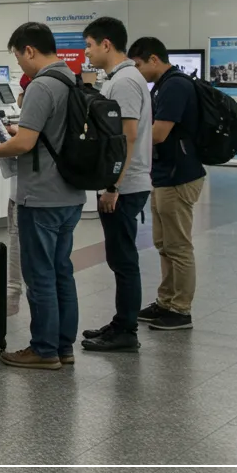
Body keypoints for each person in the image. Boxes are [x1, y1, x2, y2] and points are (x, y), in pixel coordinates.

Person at [0, 22, 83, 370]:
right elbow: (46, 134)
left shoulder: (42, 86)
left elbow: (25, 143)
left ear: (30, 51)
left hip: (41, 196)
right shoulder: (72, 79)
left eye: (19, 57)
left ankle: (43, 349)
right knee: (61, 272)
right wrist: (20, 132)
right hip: (71, 192)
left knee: (39, 276)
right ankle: (63, 346)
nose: (19, 65)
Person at [81, 18, 153, 352]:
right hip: (126, 182)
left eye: (90, 45)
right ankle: (120, 322)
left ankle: (126, 330)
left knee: (123, 260)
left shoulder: (124, 82)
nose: (87, 52)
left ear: (106, 44)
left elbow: (127, 135)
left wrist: (113, 186)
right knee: (119, 257)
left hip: (125, 185)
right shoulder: (122, 78)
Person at [129, 36, 204, 331]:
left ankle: (181, 309)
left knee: (179, 246)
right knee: (164, 244)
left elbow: (158, 134)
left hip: (179, 175)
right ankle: (166, 301)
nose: (137, 70)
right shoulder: (163, 85)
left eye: (138, 65)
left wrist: (130, 135)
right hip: (164, 175)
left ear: (154, 60)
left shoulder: (175, 85)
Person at [7, 72, 32, 315]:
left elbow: (26, 144)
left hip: (28, 191)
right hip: (26, 189)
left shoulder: (38, 98)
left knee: (17, 239)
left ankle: (12, 295)